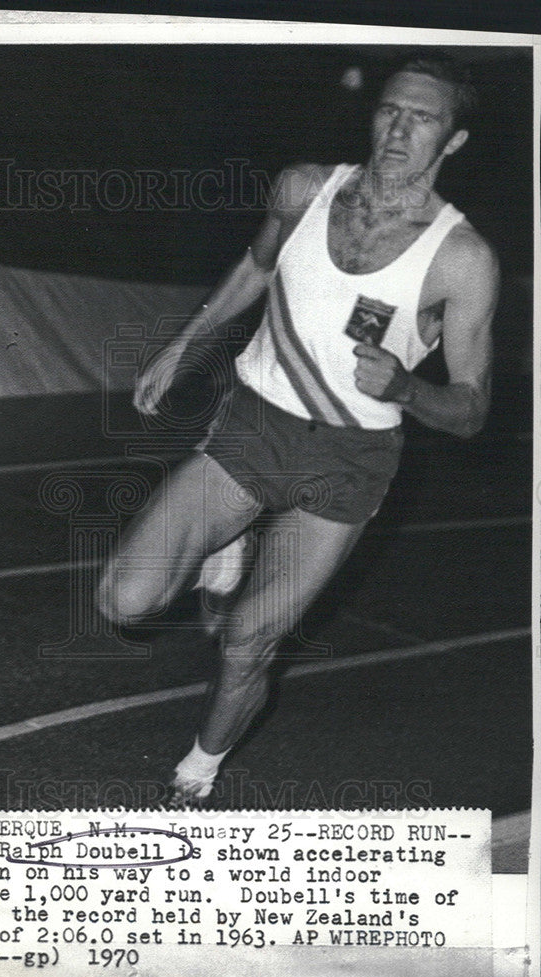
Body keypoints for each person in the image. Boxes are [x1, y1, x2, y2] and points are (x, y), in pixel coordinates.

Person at [96, 55, 499, 806]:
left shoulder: (463, 260)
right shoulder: (306, 188)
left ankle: (200, 768)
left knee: (250, 642)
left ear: (455, 139)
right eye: (390, 110)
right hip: (253, 422)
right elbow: (256, 266)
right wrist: (185, 347)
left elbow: (472, 408)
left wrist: (410, 387)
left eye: (424, 117)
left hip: (351, 458)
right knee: (125, 601)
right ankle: (227, 540)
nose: (399, 129)